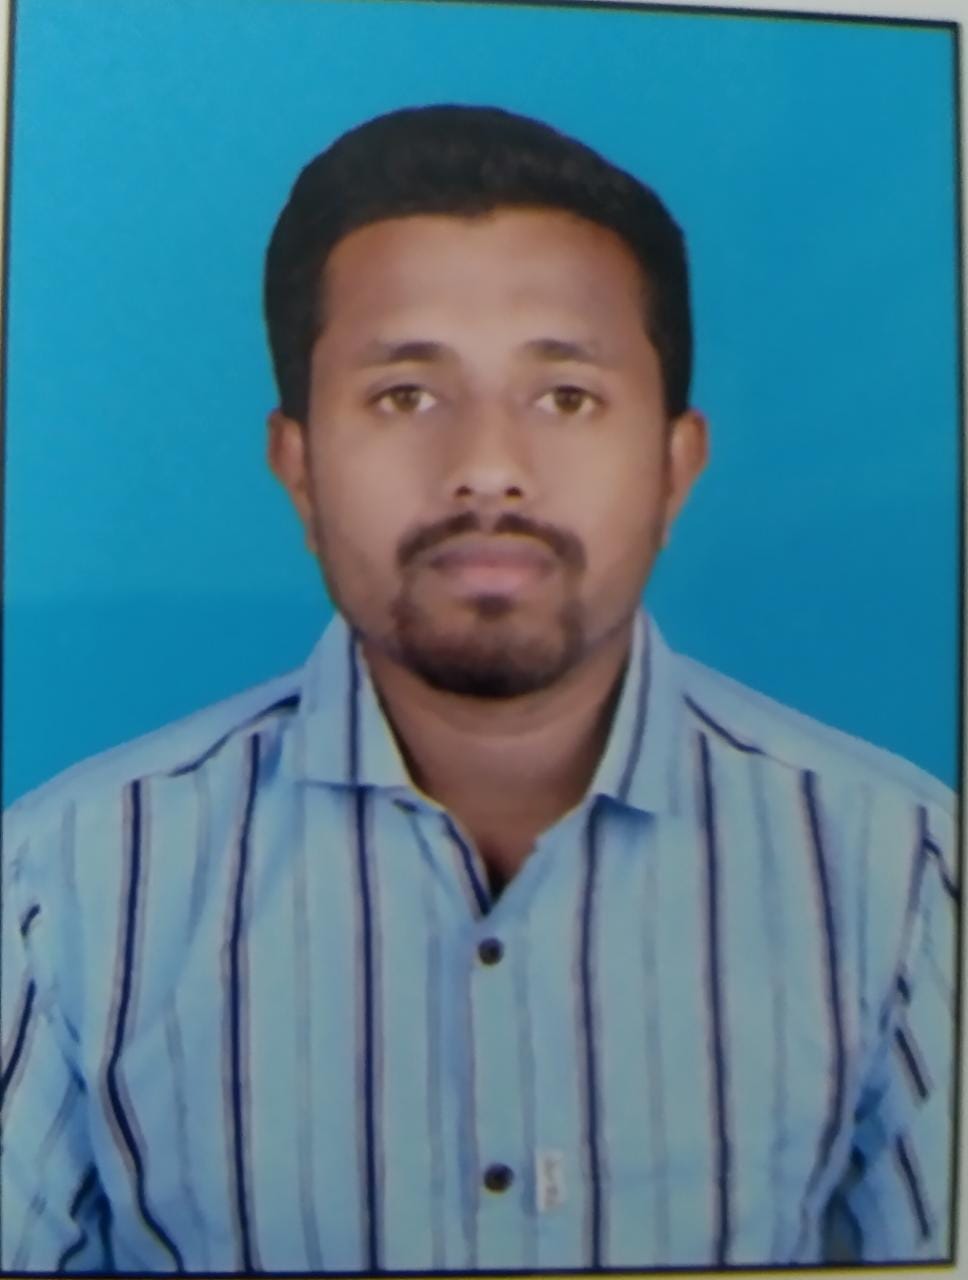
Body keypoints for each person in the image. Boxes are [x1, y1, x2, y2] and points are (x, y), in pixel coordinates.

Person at [1, 104, 957, 1274]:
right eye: (405, 394)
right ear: (298, 467)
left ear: (673, 465)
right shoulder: (66, 889)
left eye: (565, 396)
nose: (488, 469)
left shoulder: (898, 872)